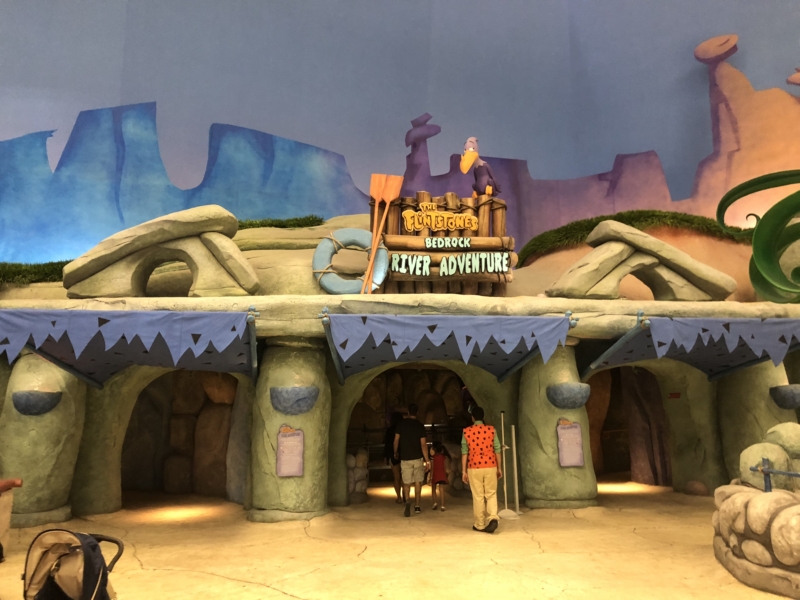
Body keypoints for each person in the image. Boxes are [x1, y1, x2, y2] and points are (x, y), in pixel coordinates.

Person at [461, 406, 502, 533]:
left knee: (478, 496)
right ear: (483, 417)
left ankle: (479, 524)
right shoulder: (491, 430)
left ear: (472, 418)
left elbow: (464, 452)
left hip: (474, 467)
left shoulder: (467, 432)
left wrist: (464, 471)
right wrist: (499, 468)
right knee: (491, 493)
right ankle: (493, 518)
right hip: (490, 465)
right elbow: (497, 449)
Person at [393, 404, 430, 517]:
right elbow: (423, 445)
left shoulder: (401, 424)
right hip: (417, 458)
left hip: (405, 458)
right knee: (418, 481)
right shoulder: (420, 426)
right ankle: (417, 505)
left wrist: (395, 452)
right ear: (417, 413)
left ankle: (408, 500)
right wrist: (427, 460)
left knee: (406, 482)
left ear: (408, 412)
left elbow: (396, 440)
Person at [383, 412, 405, 504]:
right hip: (404, 455)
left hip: (393, 455)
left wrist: (386, 456)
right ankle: (405, 495)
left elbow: (387, 444)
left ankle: (399, 497)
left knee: (396, 477)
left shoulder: (390, 430)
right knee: (404, 477)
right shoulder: (403, 429)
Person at [429, 441, 450, 511]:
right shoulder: (444, 457)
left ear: (434, 449)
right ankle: (442, 505)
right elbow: (446, 467)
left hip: (435, 475)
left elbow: (432, 468)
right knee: (442, 490)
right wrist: (446, 475)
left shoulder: (433, 458)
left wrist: (430, 477)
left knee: (433, 490)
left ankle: (434, 503)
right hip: (442, 475)